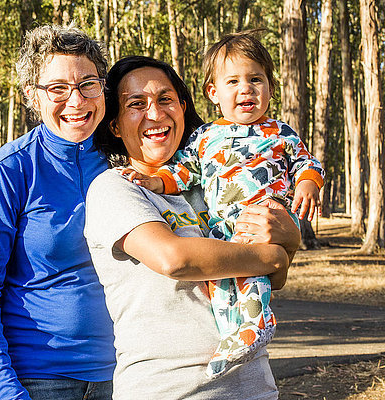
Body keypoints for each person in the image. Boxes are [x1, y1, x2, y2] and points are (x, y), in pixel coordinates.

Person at [85, 55, 301, 399]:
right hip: (168, 390)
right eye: (136, 104)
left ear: (184, 108)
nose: (155, 114)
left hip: (254, 388)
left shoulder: (215, 184)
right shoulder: (115, 189)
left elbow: (274, 279)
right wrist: (275, 256)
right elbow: (175, 259)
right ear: (114, 125)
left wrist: (289, 240)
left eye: (165, 99)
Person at [120, 32, 324, 377]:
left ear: (270, 89)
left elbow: (306, 164)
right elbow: (184, 171)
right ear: (214, 93)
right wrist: (155, 182)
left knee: (252, 278)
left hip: (262, 216)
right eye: (233, 81)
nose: (246, 89)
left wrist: (306, 186)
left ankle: (256, 326)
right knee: (222, 282)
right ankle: (234, 335)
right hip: (222, 225)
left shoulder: (281, 133)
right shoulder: (204, 137)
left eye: (255, 79)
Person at [0, 25, 115, 400]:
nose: (76, 101)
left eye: (88, 84)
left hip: (127, 375)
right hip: (39, 380)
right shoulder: (8, 171)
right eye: (58, 88)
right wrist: (4, 392)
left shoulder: (127, 160)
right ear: (33, 95)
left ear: (103, 88)